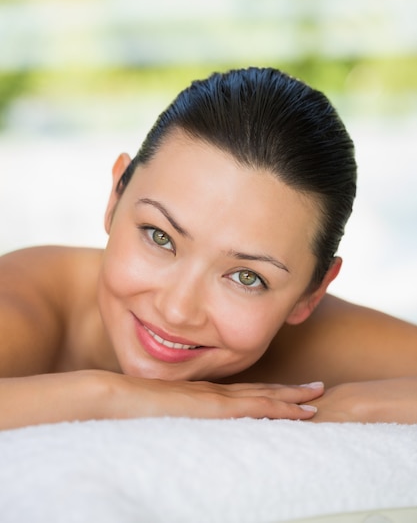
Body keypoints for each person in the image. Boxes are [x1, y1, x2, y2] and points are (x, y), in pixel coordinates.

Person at [1, 67, 416, 431]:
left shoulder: (312, 339)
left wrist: (348, 408)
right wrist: (106, 396)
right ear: (116, 196)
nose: (178, 310)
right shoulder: (24, 306)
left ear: (311, 294)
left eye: (246, 277)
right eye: (159, 237)